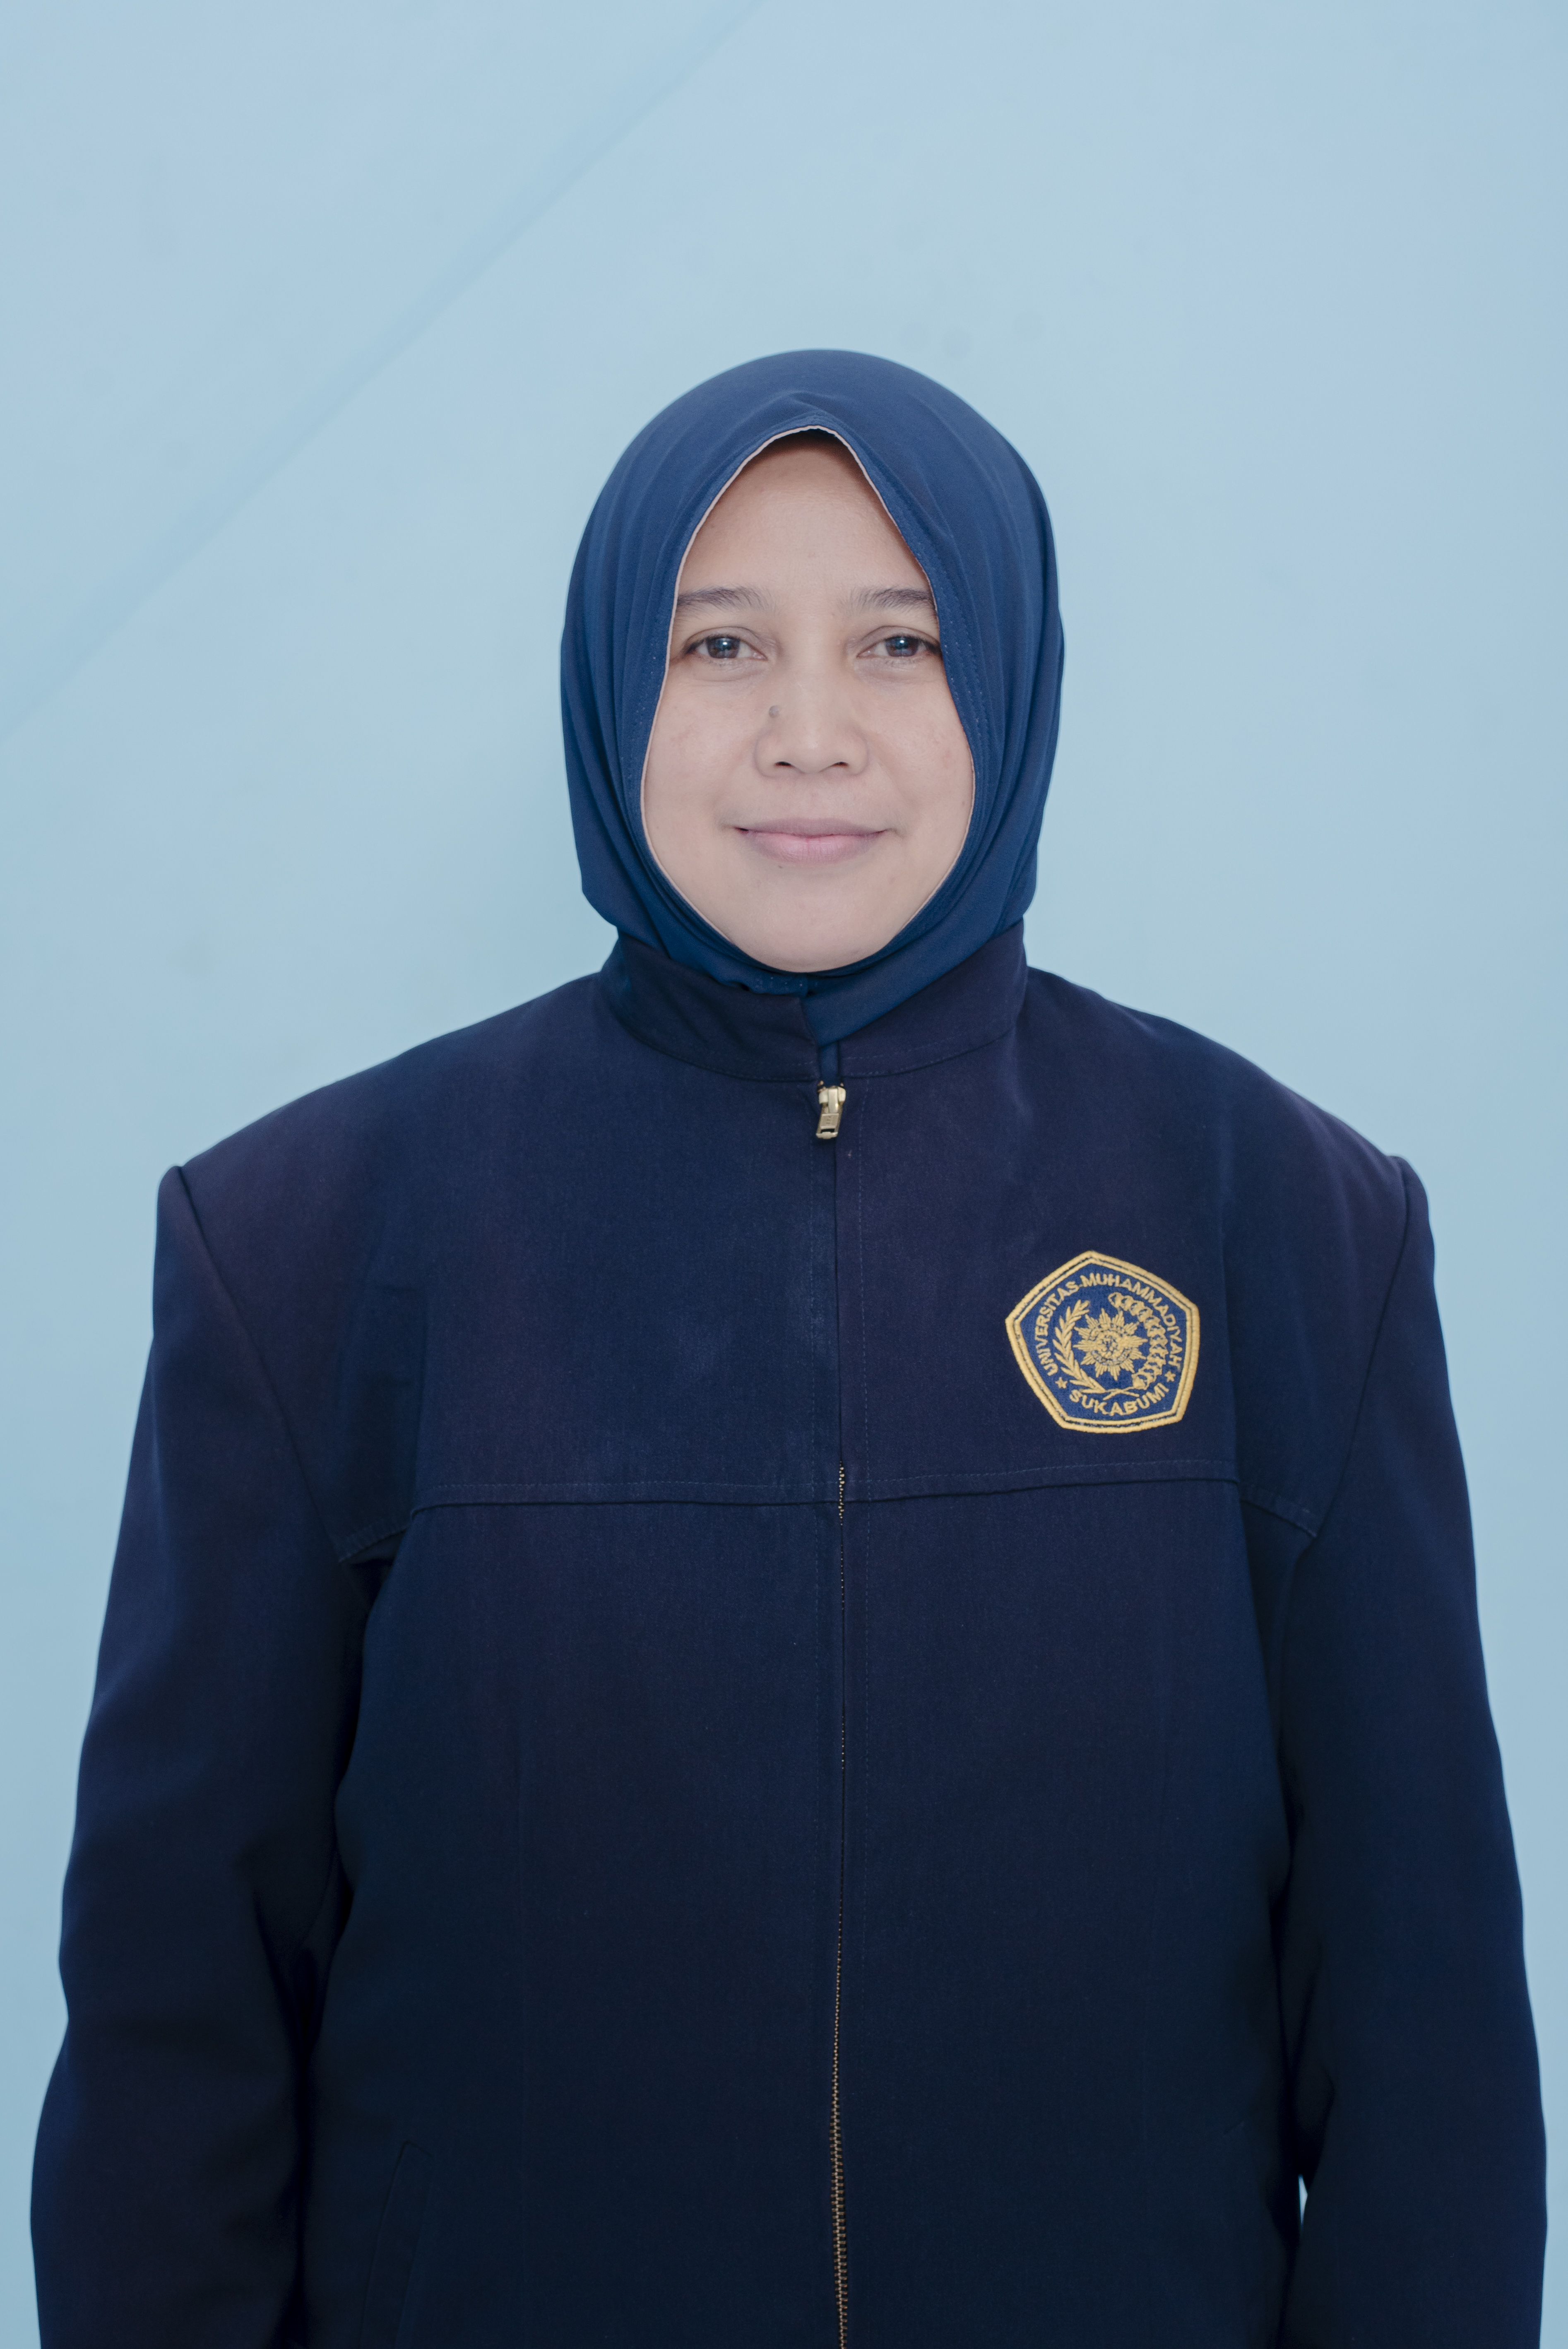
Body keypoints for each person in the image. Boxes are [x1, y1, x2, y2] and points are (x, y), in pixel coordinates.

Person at [33, 351, 1544, 2349]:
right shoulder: (307, 1243)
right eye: (720, 642)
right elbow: (174, 2043)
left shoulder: (1284, 1221)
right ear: (608, 682)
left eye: (898, 643)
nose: (807, 733)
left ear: (1008, 675)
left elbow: (1424, 2049)